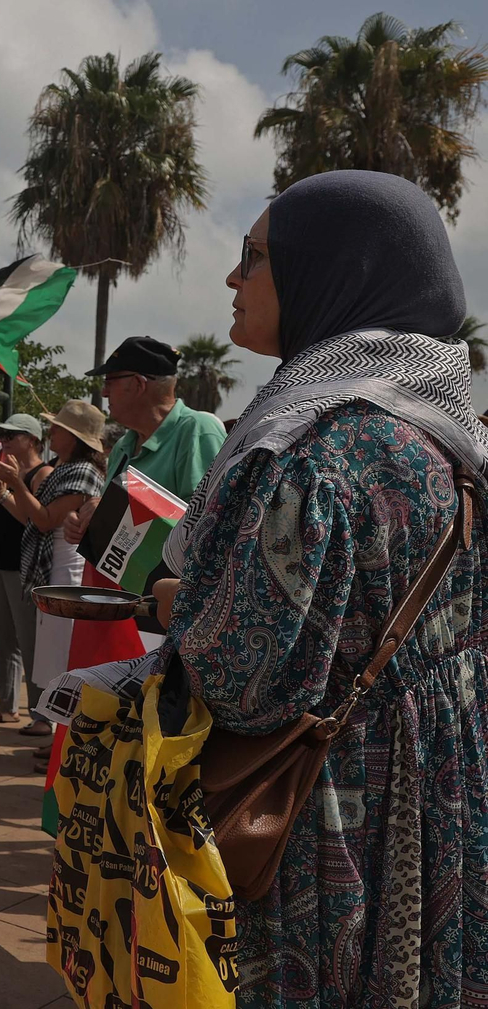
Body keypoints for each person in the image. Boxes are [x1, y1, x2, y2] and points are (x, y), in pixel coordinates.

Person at [129, 171, 488, 1005]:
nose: (232, 278)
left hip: (333, 814)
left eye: (253, 256)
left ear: (332, 272)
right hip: (444, 787)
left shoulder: (317, 452)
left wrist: (180, 605)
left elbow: (245, 680)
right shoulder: (447, 444)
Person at [2, 400, 105, 739]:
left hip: (68, 578)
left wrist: (16, 483)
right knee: (54, 660)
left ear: (74, 437)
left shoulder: (82, 473)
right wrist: (7, 492)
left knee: (64, 662)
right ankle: (60, 738)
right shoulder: (62, 468)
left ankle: (65, 739)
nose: (50, 432)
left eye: (58, 428)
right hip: (54, 577)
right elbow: (34, 519)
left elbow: (44, 521)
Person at [64, 335, 227, 544]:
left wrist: (113, 512)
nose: (104, 392)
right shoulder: (123, 447)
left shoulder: (197, 430)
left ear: (138, 384)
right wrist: (83, 521)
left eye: (110, 382)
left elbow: (207, 523)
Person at [0, 414, 51, 723]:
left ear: (31, 439)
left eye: (11, 435)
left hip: (23, 569)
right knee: (2, 640)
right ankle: (6, 705)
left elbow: (33, 520)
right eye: (2, 435)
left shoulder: (42, 473)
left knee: (28, 642)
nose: (4, 441)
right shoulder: (3, 472)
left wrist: (6, 491)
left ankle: (40, 714)